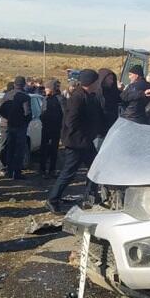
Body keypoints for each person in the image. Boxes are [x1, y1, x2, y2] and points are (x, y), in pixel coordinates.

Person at [46, 69, 104, 213]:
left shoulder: (89, 95)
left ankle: (90, 196)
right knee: (69, 172)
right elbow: (71, 121)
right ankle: (52, 199)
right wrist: (86, 131)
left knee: (95, 169)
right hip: (76, 142)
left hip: (85, 141)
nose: (98, 84)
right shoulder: (77, 97)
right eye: (97, 81)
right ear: (91, 82)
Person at [0, 76, 31, 180]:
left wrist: (8, 118)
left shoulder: (7, 95)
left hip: (9, 125)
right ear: (24, 84)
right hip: (20, 126)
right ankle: (17, 172)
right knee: (19, 149)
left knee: (9, 149)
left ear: (14, 84)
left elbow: (1, 109)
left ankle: (9, 171)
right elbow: (28, 113)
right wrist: (25, 122)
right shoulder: (25, 97)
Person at [39, 79, 63, 178]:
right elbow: (42, 113)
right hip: (45, 128)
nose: (45, 90)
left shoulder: (60, 99)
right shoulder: (45, 99)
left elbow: (64, 113)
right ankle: (42, 170)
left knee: (54, 150)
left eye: (47, 88)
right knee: (43, 149)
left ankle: (52, 170)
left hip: (56, 128)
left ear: (52, 89)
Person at [96, 68, 121, 134]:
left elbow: (123, 98)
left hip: (111, 128)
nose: (112, 81)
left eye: (112, 79)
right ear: (103, 79)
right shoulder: (96, 93)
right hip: (99, 131)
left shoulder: (113, 91)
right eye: (110, 79)